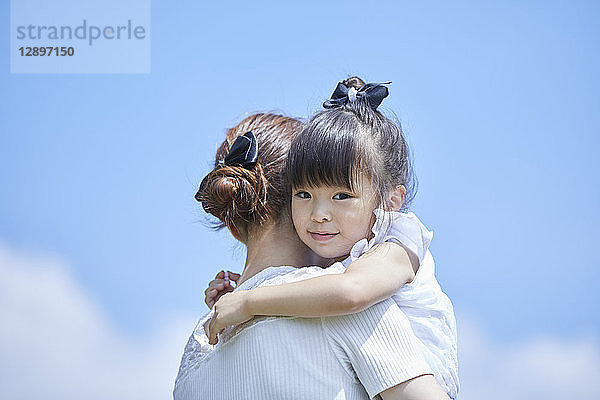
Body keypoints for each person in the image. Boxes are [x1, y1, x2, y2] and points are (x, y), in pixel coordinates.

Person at [204, 78, 458, 398]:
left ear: (391, 201)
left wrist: (248, 300)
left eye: (341, 195)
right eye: (303, 194)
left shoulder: (398, 238)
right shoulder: (341, 245)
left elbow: (349, 291)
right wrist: (243, 285)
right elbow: (323, 285)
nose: (319, 213)